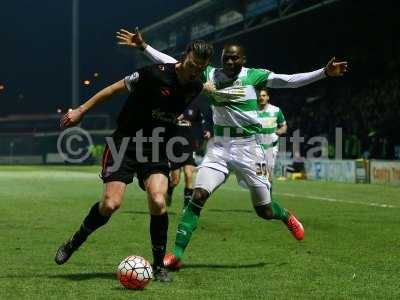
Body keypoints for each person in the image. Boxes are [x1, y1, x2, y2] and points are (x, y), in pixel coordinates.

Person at [116, 28, 348, 269]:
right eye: (226, 57)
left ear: (243, 60)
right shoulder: (208, 74)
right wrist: (144, 47)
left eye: (234, 57)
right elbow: (173, 63)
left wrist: (324, 73)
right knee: (198, 196)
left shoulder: (254, 76)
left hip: (249, 148)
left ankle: (285, 216)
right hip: (219, 147)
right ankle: (175, 255)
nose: (229, 61)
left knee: (264, 210)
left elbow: (289, 81)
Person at [54, 39, 213, 281]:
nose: (195, 71)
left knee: (159, 201)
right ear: (184, 57)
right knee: (110, 204)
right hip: (125, 144)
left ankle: (158, 266)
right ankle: (74, 242)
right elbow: (112, 89)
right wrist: (81, 111)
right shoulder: (152, 74)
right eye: (192, 65)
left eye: (200, 68)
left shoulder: (195, 86)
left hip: (157, 147)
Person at [167, 102, 212, 207]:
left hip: (189, 146)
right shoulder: (172, 105)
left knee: (189, 174)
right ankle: (169, 189)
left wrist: (206, 130)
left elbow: (202, 121)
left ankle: (187, 206)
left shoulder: (194, 106)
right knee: (175, 181)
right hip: (174, 147)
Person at [257, 88, 287, 183]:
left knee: (268, 175)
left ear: (268, 97)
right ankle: (264, 197)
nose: (261, 97)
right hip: (256, 147)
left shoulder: (276, 110)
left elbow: (284, 126)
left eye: (264, 95)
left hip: (271, 147)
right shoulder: (252, 111)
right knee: (261, 176)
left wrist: (280, 131)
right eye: (260, 95)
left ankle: (268, 197)